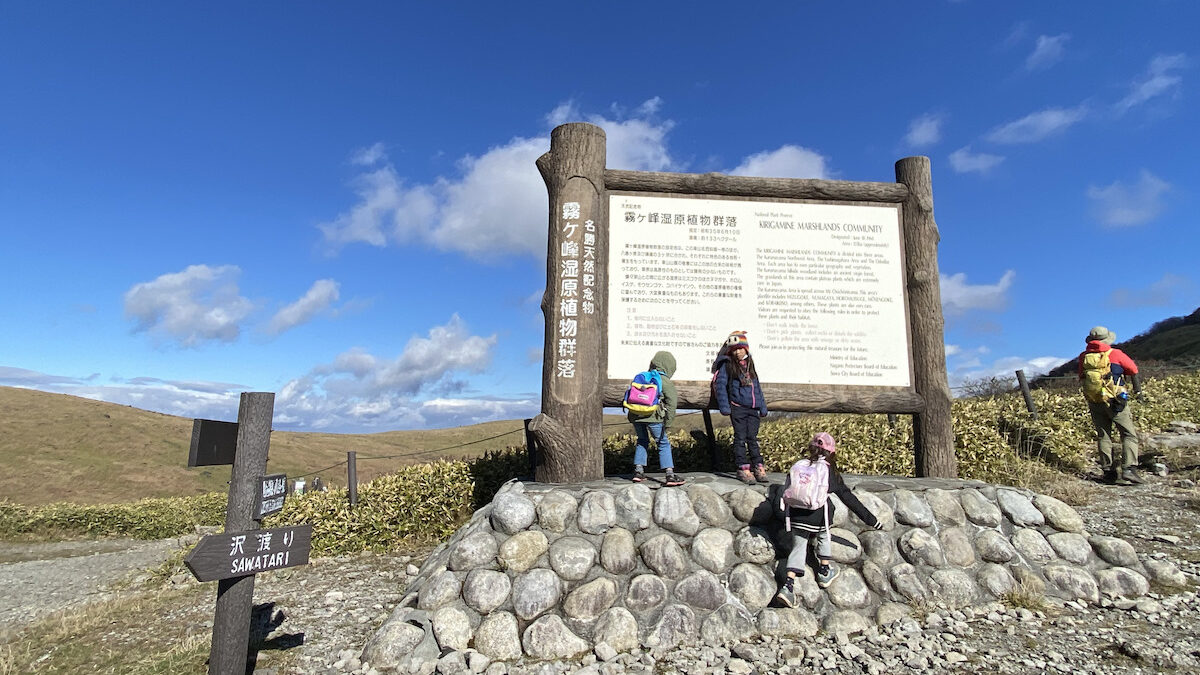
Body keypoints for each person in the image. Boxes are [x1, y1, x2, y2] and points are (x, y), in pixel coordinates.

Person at [775, 432, 883, 607]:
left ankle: (787, 587)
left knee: (798, 546)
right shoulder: (828, 470)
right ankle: (825, 570)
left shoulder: (800, 465)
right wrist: (872, 520)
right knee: (825, 533)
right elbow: (848, 498)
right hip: (816, 515)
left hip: (795, 514)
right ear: (831, 452)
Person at [1077, 325, 1143, 485]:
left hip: (1094, 400)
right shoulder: (1115, 353)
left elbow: (1081, 376)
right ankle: (1129, 469)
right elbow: (1133, 370)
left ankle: (1108, 471)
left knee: (1103, 435)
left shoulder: (1083, 356)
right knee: (1128, 434)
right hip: (1115, 400)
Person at [713, 331, 769, 484]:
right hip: (738, 407)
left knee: (753, 438)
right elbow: (721, 385)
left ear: (746, 349)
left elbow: (757, 387)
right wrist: (725, 406)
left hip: (753, 408)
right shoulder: (727, 364)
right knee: (740, 438)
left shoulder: (750, 364)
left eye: (740, 348)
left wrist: (762, 406)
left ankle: (758, 465)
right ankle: (743, 467)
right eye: (734, 349)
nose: (738, 352)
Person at [629, 350, 684, 486]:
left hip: (637, 416)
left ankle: (638, 471)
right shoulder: (665, 381)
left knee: (642, 441)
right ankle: (669, 474)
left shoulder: (642, 376)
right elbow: (672, 404)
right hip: (654, 418)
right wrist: (669, 422)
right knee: (663, 443)